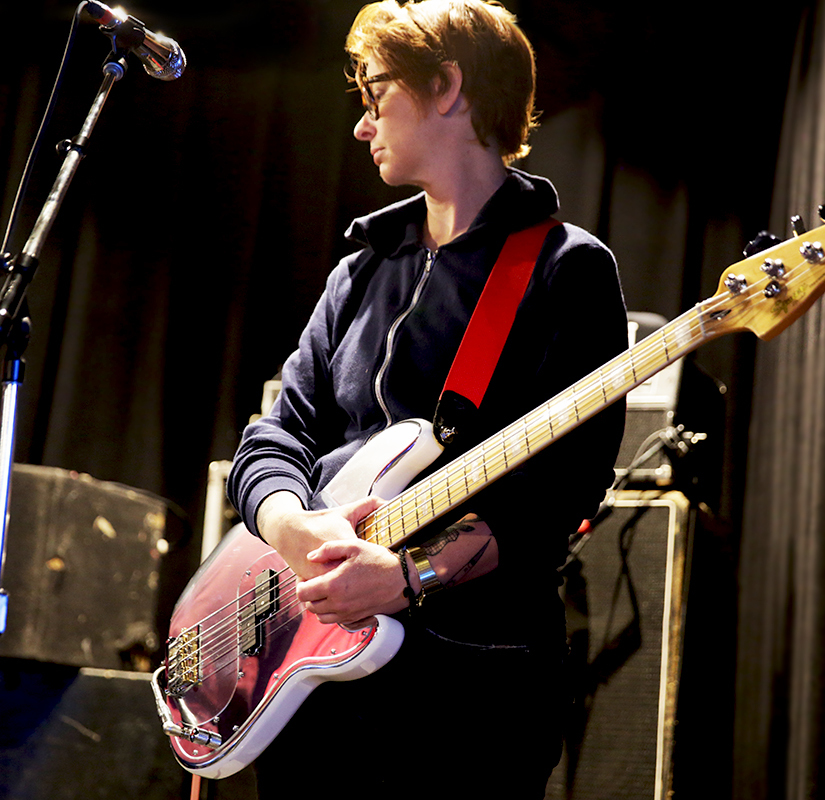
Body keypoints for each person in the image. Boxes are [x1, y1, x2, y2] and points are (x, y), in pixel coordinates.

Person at [226, 1, 627, 796]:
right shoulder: (362, 271)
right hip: (309, 683)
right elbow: (276, 435)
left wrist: (412, 578)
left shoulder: (565, 269)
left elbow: (562, 492)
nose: (361, 124)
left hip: (470, 687)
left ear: (447, 88)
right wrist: (290, 522)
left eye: (376, 94)